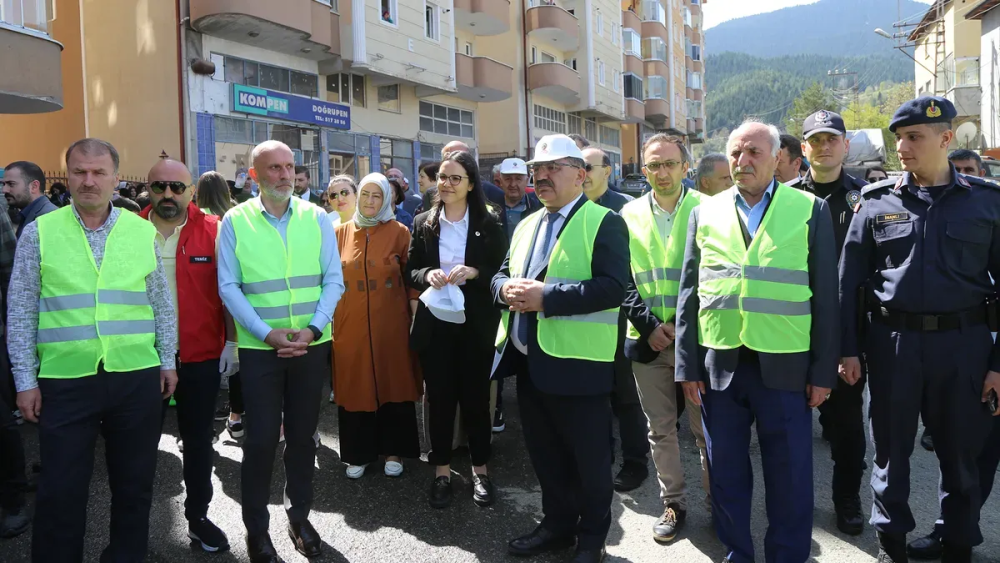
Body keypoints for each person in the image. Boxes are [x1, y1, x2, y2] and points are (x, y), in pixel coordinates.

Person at [839, 96, 1000, 563]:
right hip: (893, 345)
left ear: (946, 139)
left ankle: (957, 547)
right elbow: (848, 285)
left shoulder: (987, 204)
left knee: (961, 457)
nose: (902, 148)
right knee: (890, 455)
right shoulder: (875, 203)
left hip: (963, 347)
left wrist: (997, 364)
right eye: (898, 139)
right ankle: (893, 546)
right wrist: (847, 351)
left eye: (914, 138)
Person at [675, 120, 838, 563]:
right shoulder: (703, 211)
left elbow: (826, 296)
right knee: (725, 471)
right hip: (720, 364)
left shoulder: (808, 209)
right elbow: (689, 293)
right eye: (735, 153)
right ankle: (737, 553)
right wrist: (687, 367)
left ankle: (787, 556)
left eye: (754, 153)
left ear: (778, 158)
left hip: (785, 367)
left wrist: (823, 372)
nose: (743, 162)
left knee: (789, 472)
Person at [10, 138, 178, 562]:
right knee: (60, 491)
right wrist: (25, 379)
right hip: (65, 381)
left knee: (135, 486)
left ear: (116, 178)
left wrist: (167, 358)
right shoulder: (40, 232)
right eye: (80, 172)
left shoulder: (141, 230)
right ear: (66, 177)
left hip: (136, 376)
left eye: (99, 172)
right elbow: (22, 307)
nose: (89, 180)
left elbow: (160, 302)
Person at [493, 134, 630, 563]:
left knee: (589, 464)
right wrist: (504, 290)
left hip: (581, 365)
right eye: (538, 169)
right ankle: (556, 526)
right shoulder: (530, 222)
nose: (542, 176)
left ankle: (591, 540)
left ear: (580, 175)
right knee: (546, 458)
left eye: (553, 168)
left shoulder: (604, 221)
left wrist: (547, 297)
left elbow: (613, 288)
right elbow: (501, 273)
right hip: (532, 362)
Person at [218, 140, 345, 562]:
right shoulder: (236, 221)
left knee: (304, 439)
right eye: (274, 168)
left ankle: (300, 517)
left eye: (290, 167)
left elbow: (333, 280)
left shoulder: (316, 218)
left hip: (311, 345)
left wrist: (312, 329)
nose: (285, 175)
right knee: (260, 442)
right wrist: (265, 333)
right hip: (260, 349)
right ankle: (257, 531)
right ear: (254, 175)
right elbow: (228, 286)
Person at [140, 159, 237, 552]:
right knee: (137, 446)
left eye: (176, 187)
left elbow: (230, 291)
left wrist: (231, 342)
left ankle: (198, 517)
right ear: (148, 189)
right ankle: (133, 526)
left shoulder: (214, 230)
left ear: (191, 190)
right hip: (141, 358)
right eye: (159, 187)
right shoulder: (128, 231)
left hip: (199, 356)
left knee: (198, 443)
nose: (168, 195)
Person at [620, 134, 709, 543]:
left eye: (670, 164)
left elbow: (717, 278)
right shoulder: (627, 213)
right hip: (648, 338)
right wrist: (650, 326)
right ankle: (673, 502)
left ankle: (718, 500)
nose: (662, 172)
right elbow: (622, 278)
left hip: (699, 342)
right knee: (660, 430)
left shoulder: (708, 211)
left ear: (685, 167)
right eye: (654, 165)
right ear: (644, 170)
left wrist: (681, 328)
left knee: (706, 429)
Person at [785, 110, 869, 536]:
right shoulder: (784, 200)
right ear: (803, 149)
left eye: (831, 138)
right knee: (788, 425)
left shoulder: (867, 198)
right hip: (793, 330)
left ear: (845, 145)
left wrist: (848, 344)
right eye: (815, 140)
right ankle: (792, 506)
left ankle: (847, 499)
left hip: (846, 333)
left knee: (846, 428)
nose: (823, 146)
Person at [408, 151, 508, 508]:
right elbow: (411, 269)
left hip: (475, 324)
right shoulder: (423, 221)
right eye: (442, 178)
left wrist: (476, 272)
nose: (446, 184)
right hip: (436, 324)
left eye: (455, 178)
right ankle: (441, 472)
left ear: (470, 184)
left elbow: (501, 268)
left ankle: (481, 471)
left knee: (476, 400)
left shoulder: (491, 220)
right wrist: (427, 276)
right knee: (439, 399)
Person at [332, 173, 422, 479]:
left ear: (389, 199)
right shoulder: (339, 233)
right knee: (355, 386)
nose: (371, 202)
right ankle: (359, 453)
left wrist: (414, 317)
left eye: (378, 196)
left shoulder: (400, 232)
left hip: (391, 325)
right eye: (366, 194)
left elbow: (412, 280)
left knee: (392, 383)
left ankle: (393, 451)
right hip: (349, 326)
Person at [581, 146, 649, 492]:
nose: (584, 172)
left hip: (622, 316)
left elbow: (634, 267)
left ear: (607, 170)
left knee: (626, 395)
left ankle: (636, 461)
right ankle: (601, 455)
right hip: (583, 316)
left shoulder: (625, 208)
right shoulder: (570, 208)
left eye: (589, 166)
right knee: (594, 393)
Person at [2, 161, 58, 238]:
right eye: (3, 184)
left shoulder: (49, 218)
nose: (4, 190)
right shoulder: (29, 214)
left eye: (11, 184)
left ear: (34, 186)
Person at [497, 157, 542, 241]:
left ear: (527, 181)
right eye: (508, 179)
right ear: (501, 181)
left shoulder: (537, 207)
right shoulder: (491, 209)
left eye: (518, 179)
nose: (513, 184)